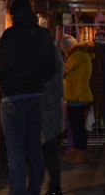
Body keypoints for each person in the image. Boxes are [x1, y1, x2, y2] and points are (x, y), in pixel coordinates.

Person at [0, 0, 57, 195]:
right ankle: (34, 190)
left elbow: (1, 66)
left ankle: (17, 192)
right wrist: (37, 80)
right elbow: (51, 68)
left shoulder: (10, 35)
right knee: (34, 148)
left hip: (12, 98)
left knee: (16, 152)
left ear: (13, 14)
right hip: (36, 96)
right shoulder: (43, 35)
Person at [61, 34, 94, 165]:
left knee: (77, 127)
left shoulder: (76, 55)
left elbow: (66, 69)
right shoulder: (82, 55)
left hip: (77, 96)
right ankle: (76, 151)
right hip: (78, 95)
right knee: (76, 126)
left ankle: (81, 153)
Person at [42, 38, 65, 195]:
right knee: (48, 150)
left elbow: (52, 88)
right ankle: (54, 184)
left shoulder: (51, 63)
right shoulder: (56, 59)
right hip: (50, 111)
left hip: (47, 111)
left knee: (48, 150)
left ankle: (55, 186)